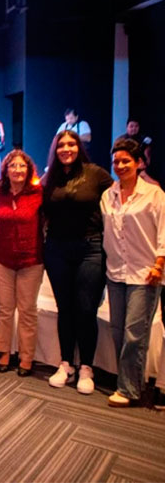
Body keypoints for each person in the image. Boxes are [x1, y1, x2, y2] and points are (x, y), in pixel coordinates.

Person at [43, 130, 113, 395]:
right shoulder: (50, 177)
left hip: (90, 248)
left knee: (85, 308)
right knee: (66, 309)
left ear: (79, 146)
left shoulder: (96, 174)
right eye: (61, 145)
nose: (66, 149)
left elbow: (118, 202)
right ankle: (65, 364)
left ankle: (86, 366)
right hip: (57, 249)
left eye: (71, 144)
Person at [101, 138, 165, 407]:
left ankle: (129, 390)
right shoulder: (108, 195)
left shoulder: (154, 194)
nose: (120, 166)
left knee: (134, 333)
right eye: (116, 161)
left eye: (126, 161)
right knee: (118, 331)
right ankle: (128, 381)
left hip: (145, 273)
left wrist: (159, 265)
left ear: (139, 163)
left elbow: (163, 232)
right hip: (116, 273)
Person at [0, 150, 44, 376]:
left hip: (31, 259)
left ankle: (26, 357)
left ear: (29, 169)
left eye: (22, 166)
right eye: (13, 166)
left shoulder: (38, 193)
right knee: (5, 309)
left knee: (27, 311)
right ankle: (3, 351)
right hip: (3, 258)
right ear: (6, 170)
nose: (17, 170)